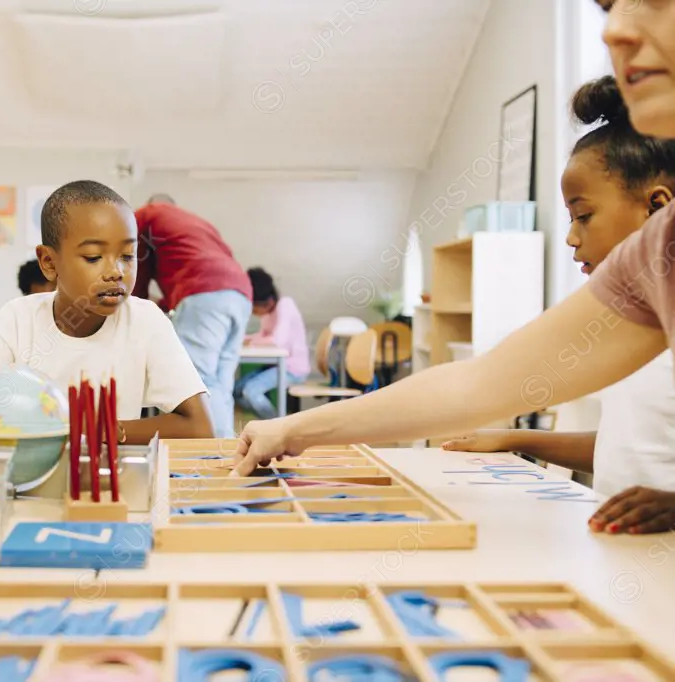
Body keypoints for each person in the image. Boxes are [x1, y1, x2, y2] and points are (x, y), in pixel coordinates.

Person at [232, 0, 675, 535]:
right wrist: (295, 428)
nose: (616, 29)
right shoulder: (657, 250)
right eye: (606, 7)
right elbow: (480, 383)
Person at [440, 75, 675, 526]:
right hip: (623, 555)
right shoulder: (631, 323)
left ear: (658, 208)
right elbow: (624, 444)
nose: (570, 238)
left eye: (584, 217)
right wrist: (516, 440)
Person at [0, 181, 213, 447]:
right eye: (93, 258)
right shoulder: (14, 322)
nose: (116, 272)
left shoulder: (146, 321)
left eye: (127, 256)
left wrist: (100, 431)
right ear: (49, 262)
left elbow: (199, 428)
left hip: (103, 489)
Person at [132, 193, 252, 438]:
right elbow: (198, 268)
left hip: (203, 292)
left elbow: (137, 273)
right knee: (220, 383)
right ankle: (224, 450)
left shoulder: (145, 215)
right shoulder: (196, 223)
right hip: (239, 293)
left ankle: (207, 456)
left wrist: (135, 310)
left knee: (196, 382)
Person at [235, 267, 310, 420]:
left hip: (292, 368)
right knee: (236, 391)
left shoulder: (285, 305)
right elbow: (264, 335)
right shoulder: (269, 313)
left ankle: (277, 425)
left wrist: (253, 341)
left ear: (267, 302)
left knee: (251, 392)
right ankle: (269, 421)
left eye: (253, 307)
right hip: (275, 365)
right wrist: (247, 338)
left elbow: (277, 341)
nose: (252, 312)